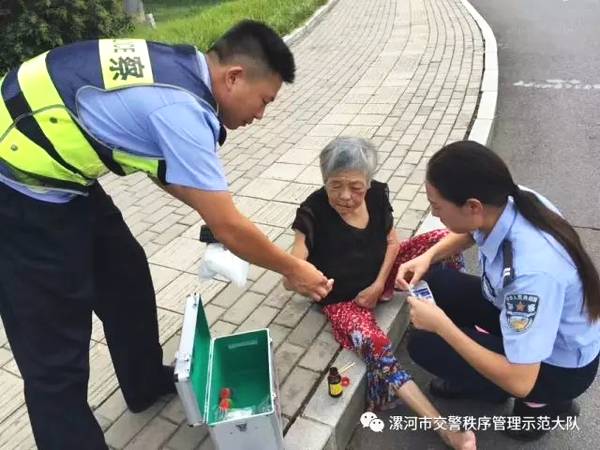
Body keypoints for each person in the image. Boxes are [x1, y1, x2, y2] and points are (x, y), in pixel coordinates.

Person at [0, 20, 332, 450]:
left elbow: (165, 170)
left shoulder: (180, 67)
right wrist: (293, 268)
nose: (260, 115)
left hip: (58, 169)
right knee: (54, 350)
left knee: (126, 276)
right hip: (17, 187)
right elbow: (230, 225)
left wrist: (216, 217)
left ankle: (144, 383)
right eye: (264, 101)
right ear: (234, 77)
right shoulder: (183, 110)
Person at [397, 140, 600, 441]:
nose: (434, 213)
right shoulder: (513, 199)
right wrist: (429, 256)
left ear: (473, 206)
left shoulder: (531, 275)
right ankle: (488, 382)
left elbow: (521, 381)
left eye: (437, 206)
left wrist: (443, 327)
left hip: (557, 366)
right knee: (437, 283)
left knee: (425, 343)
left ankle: (547, 403)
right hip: (530, 317)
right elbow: (473, 231)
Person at [284, 137, 476, 450]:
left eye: (355, 187)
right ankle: (444, 430)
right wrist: (297, 277)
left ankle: (450, 316)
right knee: (375, 344)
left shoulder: (377, 194)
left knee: (444, 238)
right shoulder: (311, 213)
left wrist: (378, 284)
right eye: (335, 185)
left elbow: (392, 243)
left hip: (380, 276)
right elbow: (293, 270)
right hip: (346, 300)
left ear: (368, 182)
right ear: (324, 180)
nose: (345, 196)